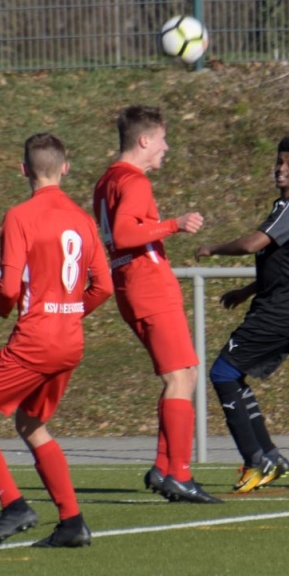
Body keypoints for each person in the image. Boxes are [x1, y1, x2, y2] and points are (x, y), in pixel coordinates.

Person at [0, 133, 113, 549]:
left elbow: (8, 287)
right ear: (65, 168)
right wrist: (70, 313)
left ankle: (14, 505)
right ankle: (72, 522)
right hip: (70, 341)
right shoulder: (83, 219)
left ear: (23, 170)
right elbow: (104, 286)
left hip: (36, 341)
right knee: (31, 423)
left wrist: (2, 308)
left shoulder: (20, 216)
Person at [92, 105, 220, 504]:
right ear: (144, 140)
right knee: (180, 378)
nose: (166, 147)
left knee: (187, 374)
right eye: (162, 139)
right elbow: (125, 232)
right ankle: (179, 474)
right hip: (147, 286)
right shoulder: (133, 180)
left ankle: (164, 467)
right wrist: (174, 224)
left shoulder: (107, 180)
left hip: (133, 285)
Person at [194, 136, 289, 493]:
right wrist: (246, 292)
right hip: (283, 309)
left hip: (281, 312)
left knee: (222, 373)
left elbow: (252, 244)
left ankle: (255, 460)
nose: (281, 168)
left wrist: (212, 248)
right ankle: (270, 457)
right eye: (279, 162)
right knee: (233, 376)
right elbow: (285, 265)